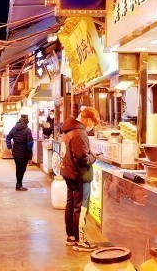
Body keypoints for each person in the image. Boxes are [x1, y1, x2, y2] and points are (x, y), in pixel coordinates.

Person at [61, 107, 101, 252]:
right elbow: (83, 158)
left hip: (69, 172)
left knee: (71, 205)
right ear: (88, 119)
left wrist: (88, 153)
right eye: (92, 124)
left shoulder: (68, 129)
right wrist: (93, 156)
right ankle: (80, 241)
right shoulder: (79, 132)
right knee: (81, 208)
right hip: (80, 175)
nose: (91, 127)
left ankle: (71, 236)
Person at [6, 115, 33, 191]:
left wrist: (10, 148)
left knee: (18, 168)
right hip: (24, 152)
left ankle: (18, 184)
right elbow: (30, 143)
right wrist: (29, 150)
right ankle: (19, 185)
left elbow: (8, 138)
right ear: (26, 121)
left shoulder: (14, 129)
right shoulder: (28, 130)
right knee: (22, 169)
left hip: (16, 152)